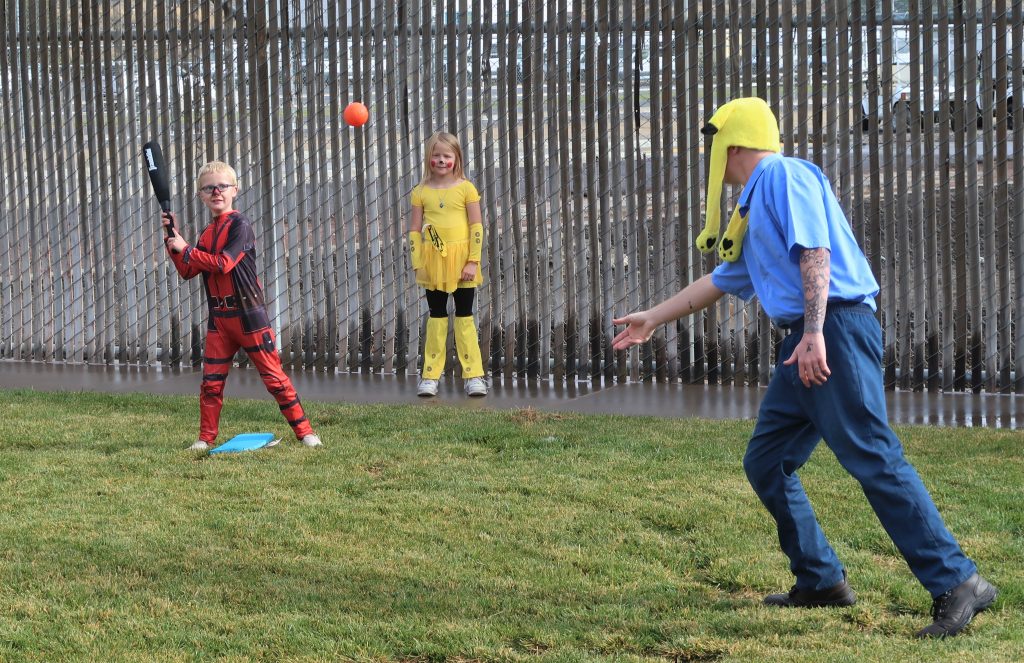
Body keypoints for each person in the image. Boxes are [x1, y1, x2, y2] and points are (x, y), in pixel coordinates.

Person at [612, 97, 996, 638]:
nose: (711, 157)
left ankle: (958, 582)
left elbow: (815, 251)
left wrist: (815, 331)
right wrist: (653, 317)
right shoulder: (754, 202)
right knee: (767, 460)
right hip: (804, 339)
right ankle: (820, 579)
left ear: (734, 144)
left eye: (714, 143)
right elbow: (724, 279)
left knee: (872, 456)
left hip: (831, 329)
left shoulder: (783, 175)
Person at [162, 161, 322, 451]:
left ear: (234, 190)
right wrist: (171, 241)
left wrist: (185, 249)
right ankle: (204, 439)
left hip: (249, 317)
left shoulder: (240, 226)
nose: (216, 192)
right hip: (220, 320)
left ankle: (306, 433)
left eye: (223, 186)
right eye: (209, 188)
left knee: (274, 378)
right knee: (211, 383)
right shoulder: (207, 233)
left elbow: (223, 264)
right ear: (201, 195)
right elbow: (187, 271)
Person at [407, 132, 487, 398]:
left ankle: (474, 375)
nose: (441, 161)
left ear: (457, 158)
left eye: (447, 156)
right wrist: (418, 263)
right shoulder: (420, 192)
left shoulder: (466, 188)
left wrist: (473, 261)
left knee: (464, 316)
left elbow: (476, 226)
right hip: (433, 265)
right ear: (428, 157)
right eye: (436, 155)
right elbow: (415, 231)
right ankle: (430, 375)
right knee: (437, 316)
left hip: (463, 262)